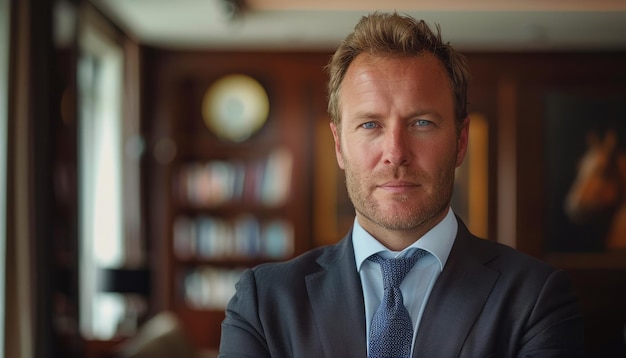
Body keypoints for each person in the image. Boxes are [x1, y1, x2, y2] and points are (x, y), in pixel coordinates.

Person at [219, 12, 585, 357]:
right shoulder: (263, 302)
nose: (395, 152)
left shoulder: (535, 298)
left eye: (422, 122)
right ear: (338, 145)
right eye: (370, 124)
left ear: (460, 141)